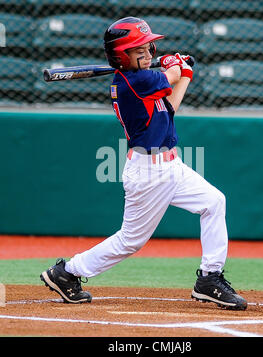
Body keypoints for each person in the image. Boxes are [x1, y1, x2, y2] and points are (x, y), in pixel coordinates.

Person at [40, 17, 247, 310]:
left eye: (149, 48)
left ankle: (209, 279)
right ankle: (67, 272)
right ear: (122, 56)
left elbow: (169, 108)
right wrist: (175, 65)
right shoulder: (132, 82)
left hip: (171, 166)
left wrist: (184, 73)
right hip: (149, 172)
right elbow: (169, 76)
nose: (149, 54)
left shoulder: (144, 80)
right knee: (130, 241)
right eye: (140, 50)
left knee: (214, 201)